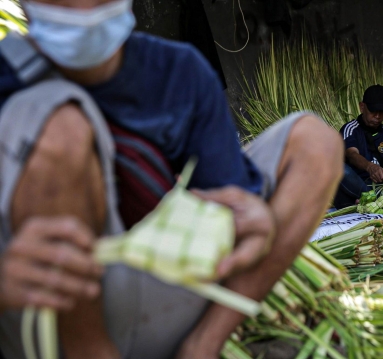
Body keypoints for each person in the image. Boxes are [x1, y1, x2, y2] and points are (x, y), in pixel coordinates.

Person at [0, 1, 344, 358]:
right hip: (39, 316)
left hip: (157, 293)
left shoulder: (179, 71)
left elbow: (232, 205)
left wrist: (253, 219)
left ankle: (204, 345)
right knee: (57, 123)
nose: (84, 4)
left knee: (316, 144)